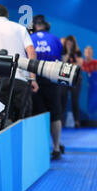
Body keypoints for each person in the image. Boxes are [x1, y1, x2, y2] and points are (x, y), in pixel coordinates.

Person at [0, 4, 39, 123]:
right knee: (23, 121)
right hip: (20, 78)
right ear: (7, 15)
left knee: (0, 121)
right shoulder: (20, 28)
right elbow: (31, 52)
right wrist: (33, 78)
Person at [30, 15, 64, 160]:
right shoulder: (55, 38)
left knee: (38, 115)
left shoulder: (29, 38)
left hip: (35, 79)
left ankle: (41, 149)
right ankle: (56, 147)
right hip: (52, 78)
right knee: (55, 114)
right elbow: (61, 58)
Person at [61, 35, 83, 128]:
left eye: (71, 43)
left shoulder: (77, 52)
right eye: (68, 43)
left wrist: (69, 63)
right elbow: (62, 63)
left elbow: (79, 64)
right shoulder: (63, 52)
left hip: (76, 79)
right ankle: (61, 121)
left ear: (73, 44)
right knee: (63, 100)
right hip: (65, 78)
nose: (69, 44)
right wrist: (68, 53)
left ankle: (77, 121)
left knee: (75, 100)